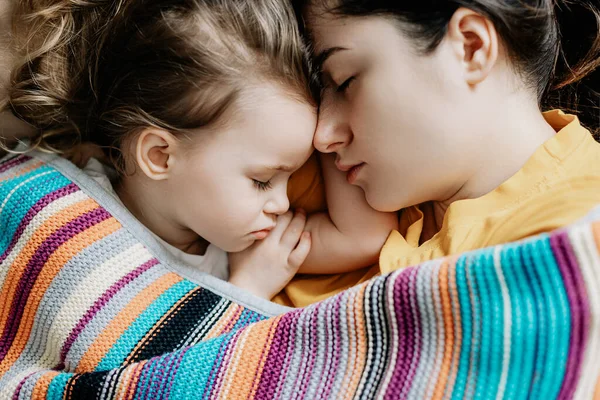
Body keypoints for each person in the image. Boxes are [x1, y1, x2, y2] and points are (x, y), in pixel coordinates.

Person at [3, 0, 397, 300]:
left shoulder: (243, 245)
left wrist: (327, 124)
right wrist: (245, 291)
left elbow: (362, 238)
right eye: (262, 180)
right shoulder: (61, 206)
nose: (281, 202)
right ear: (160, 156)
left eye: (289, 176)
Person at [276, 0, 600, 307]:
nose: (322, 136)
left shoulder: (577, 247)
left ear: (470, 46)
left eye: (346, 82)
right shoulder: (311, 180)